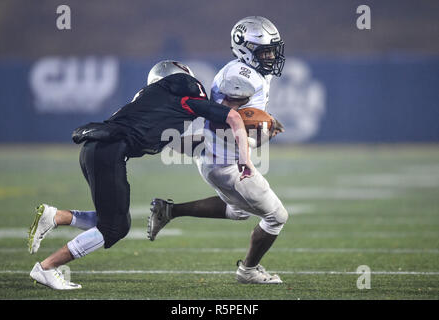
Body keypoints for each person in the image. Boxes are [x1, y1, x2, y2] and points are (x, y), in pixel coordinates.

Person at [27, 60, 255, 290]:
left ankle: (56, 217)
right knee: (113, 228)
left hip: (97, 150)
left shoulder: (156, 104)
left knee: (116, 221)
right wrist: (244, 156)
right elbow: (232, 118)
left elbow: (184, 142)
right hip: (108, 152)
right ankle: (47, 268)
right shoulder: (184, 88)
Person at [147, 16, 288, 284]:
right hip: (227, 163)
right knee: (276, 217)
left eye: (272, 50)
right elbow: (224, 119)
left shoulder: (249, 71)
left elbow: (241, 117)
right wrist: (260, 130)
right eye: (265, 51)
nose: (271, 57)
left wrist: (264, 125)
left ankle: (168, 211)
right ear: (245, 49)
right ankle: (248, 271)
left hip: (216, 157)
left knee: (239, 210)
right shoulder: (239, 77)